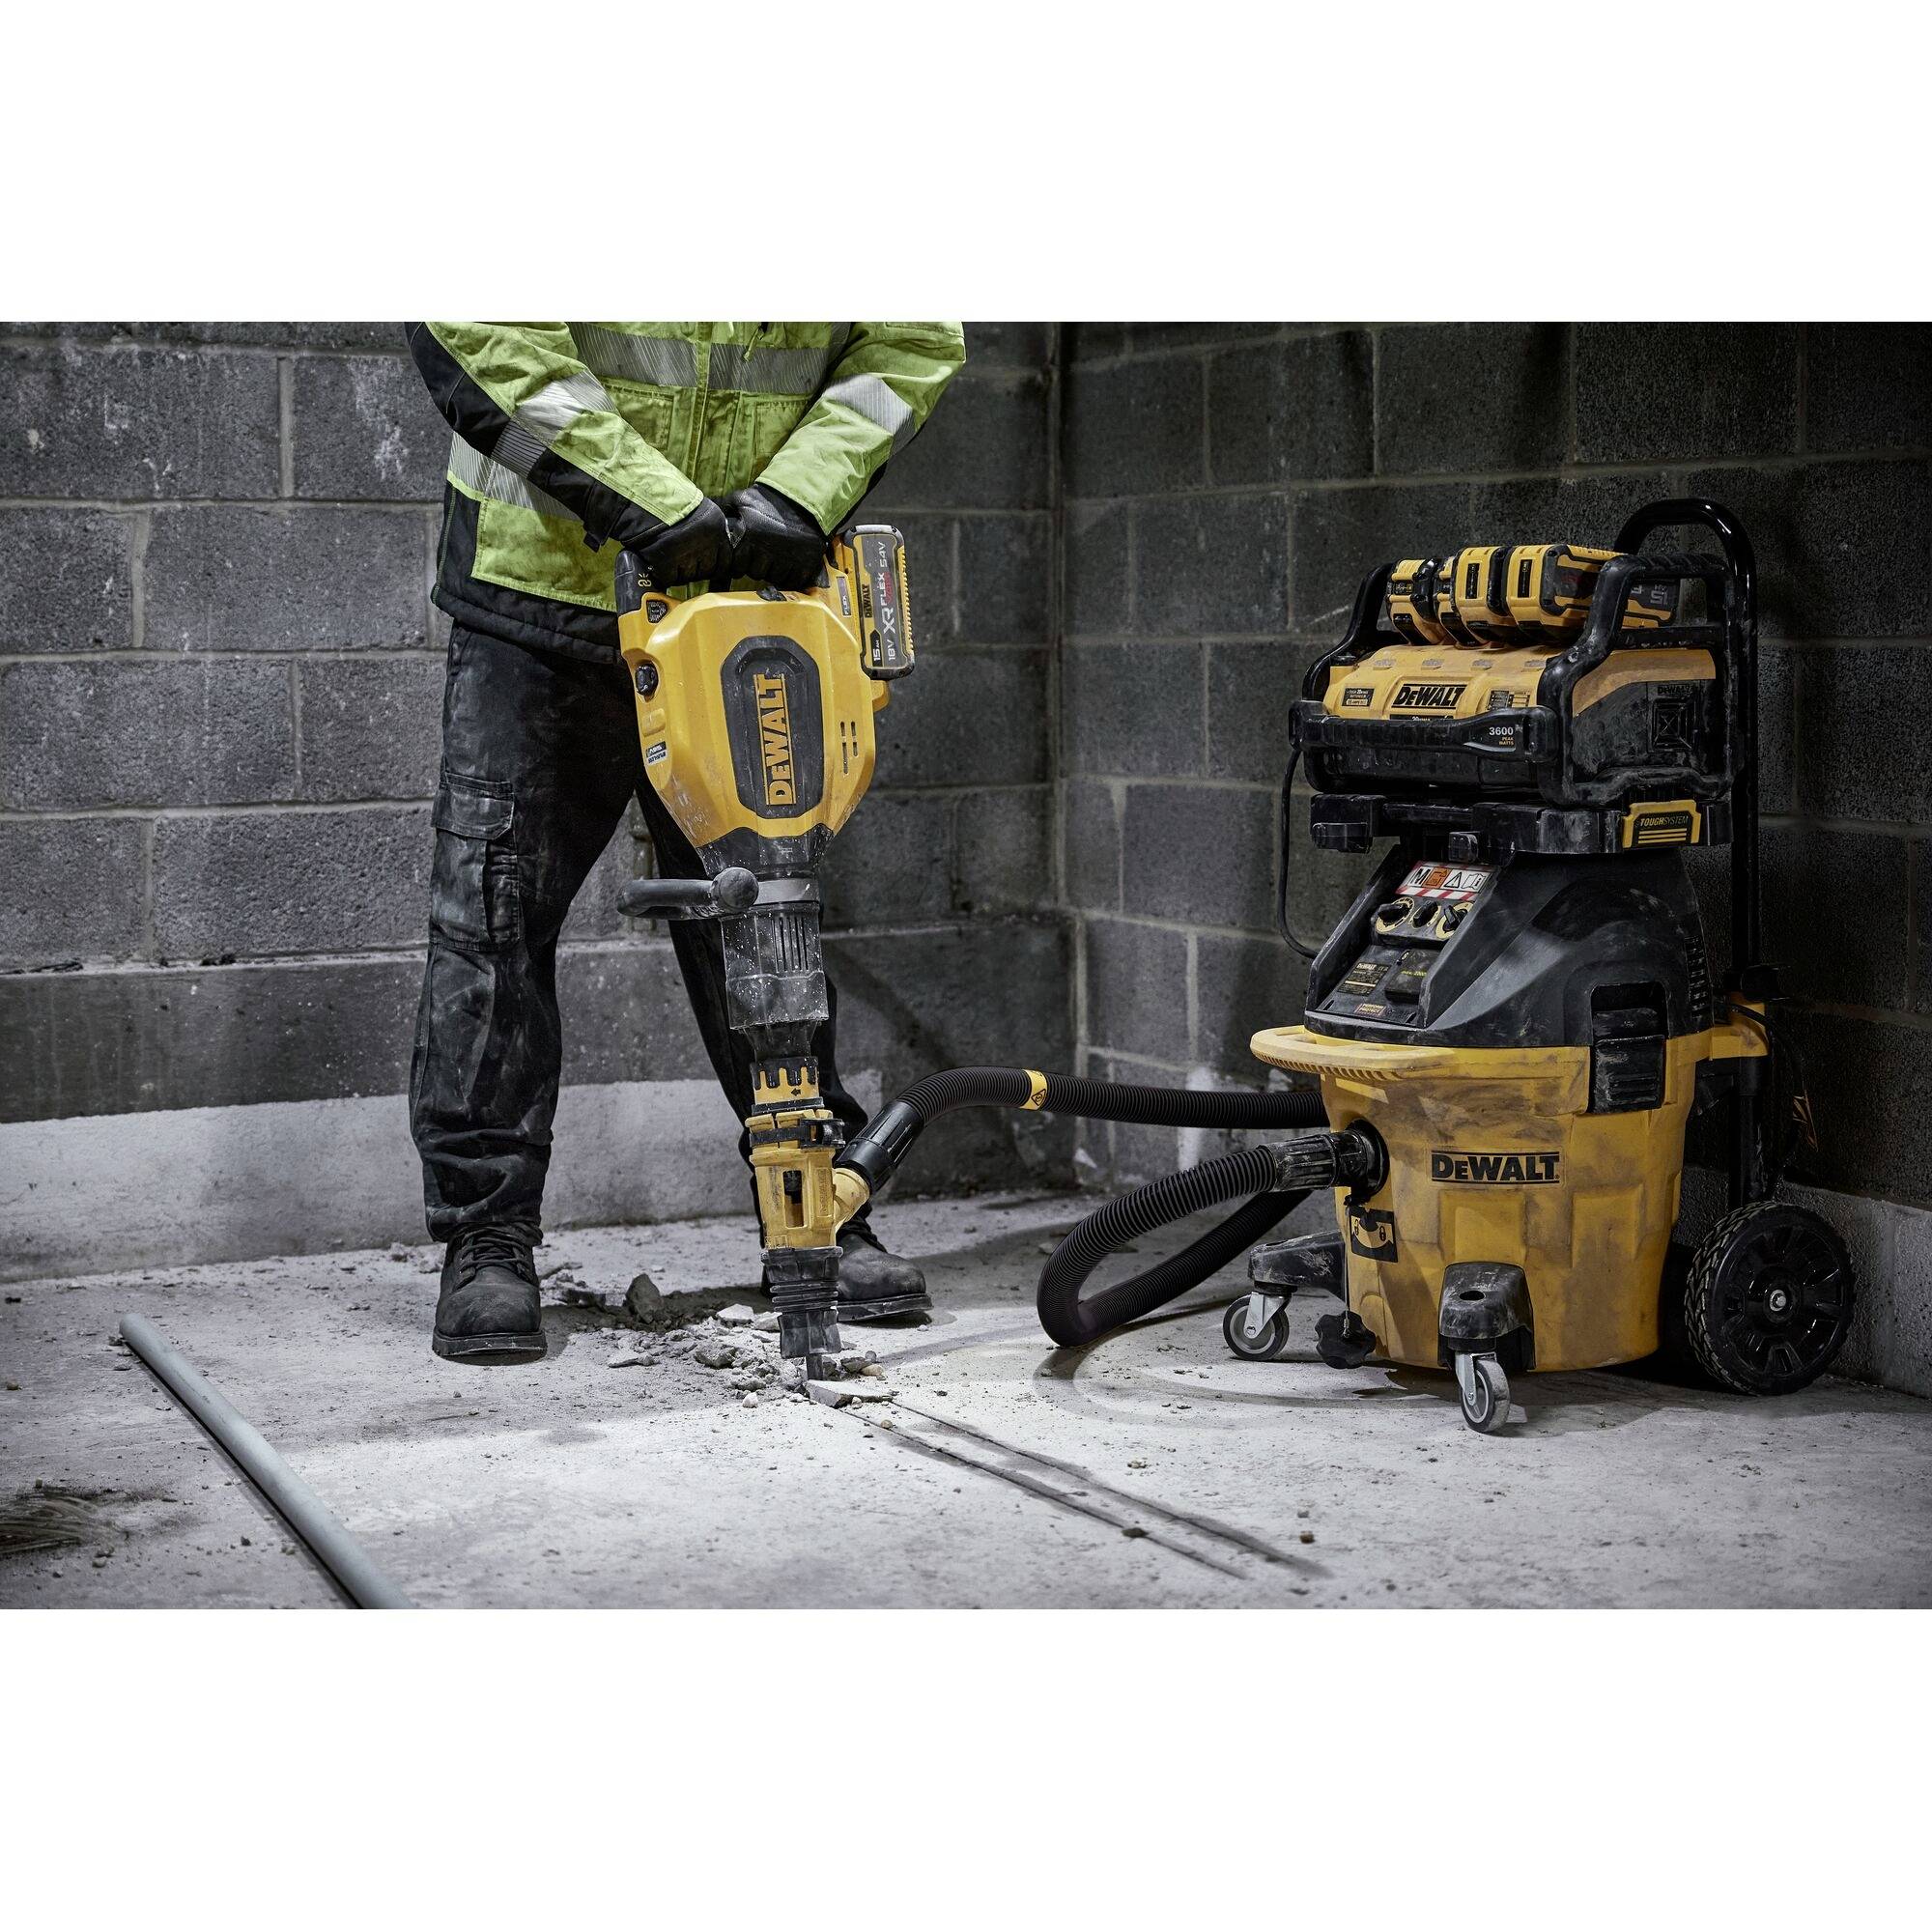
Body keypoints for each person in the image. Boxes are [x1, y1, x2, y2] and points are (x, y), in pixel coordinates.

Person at [405, 323, 967, 1361]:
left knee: (766, 909)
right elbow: (473, 329)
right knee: (492, 912)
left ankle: (813, 1212)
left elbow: (909, 336)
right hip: (543, 593)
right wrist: (655, 510)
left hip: (745, 587)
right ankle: (485, 1235)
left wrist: (794, 499)